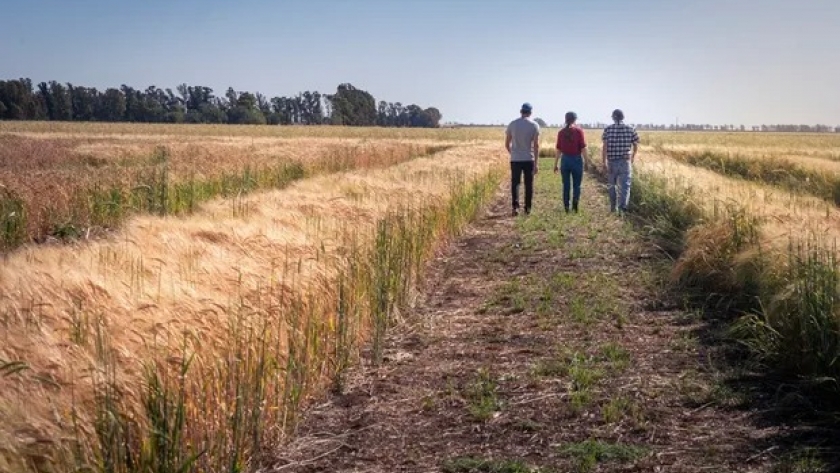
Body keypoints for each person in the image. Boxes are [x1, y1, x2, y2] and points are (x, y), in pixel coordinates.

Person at [505, 102, 540, 216]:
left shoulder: (512, 124)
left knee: (515, 183)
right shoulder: (534, 125)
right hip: (528, 159)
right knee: (528, 184)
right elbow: (536, 145)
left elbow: (507, 143)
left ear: (521, 111)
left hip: (515, 159)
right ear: (530, 112)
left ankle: (515, 207)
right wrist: (536, 163)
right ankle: (527, 209)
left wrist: (513, 153)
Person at [601, 109, 639, 213]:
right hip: (625, 161)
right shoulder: (631, 129)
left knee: (612, 185)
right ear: (623, 117)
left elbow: (604, 147)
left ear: (613, 117)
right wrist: (633, 157)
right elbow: (636, 145)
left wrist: (603, 162)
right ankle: (622, 209)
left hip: (611, 161)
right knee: (625, 186)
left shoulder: (608, 129)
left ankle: (613, 208)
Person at [554, 111, 587, 213]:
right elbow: (583, 148)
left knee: (566, 185)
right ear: (575, 119)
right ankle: (575, 206)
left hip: (565, 160)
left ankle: (566, 207)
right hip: (576, 160)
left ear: (566, 119)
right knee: (577, 185)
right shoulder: (579, 131)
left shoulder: (561, 132)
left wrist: (555, 164)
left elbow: (558, 150)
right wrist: (586, 161)